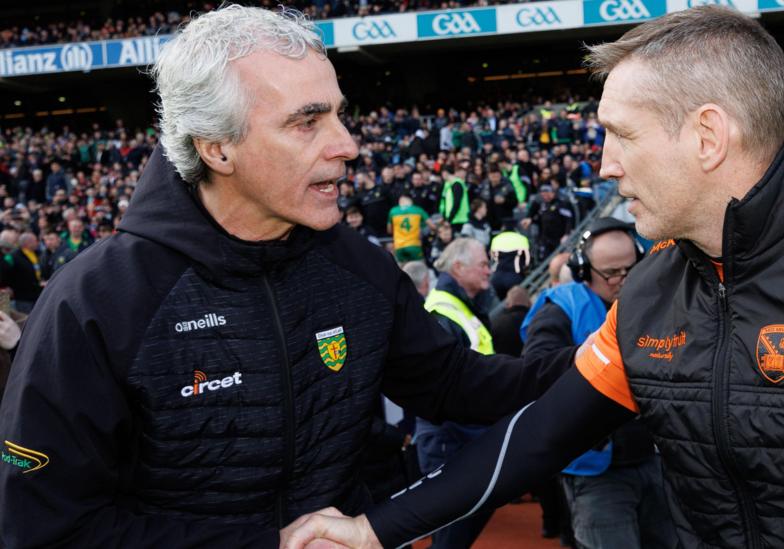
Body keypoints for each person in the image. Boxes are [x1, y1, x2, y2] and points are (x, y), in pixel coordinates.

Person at [283, 7, 784, 549]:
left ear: (707, 136)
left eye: (623, 134)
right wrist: (374, 529)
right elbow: (540, 436)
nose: (605, 164)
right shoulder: (649, 292)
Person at [0, 6, 575, 547]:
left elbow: (458, 385)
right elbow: (46, 525)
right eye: (307, 122)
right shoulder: (95, 301)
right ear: (217, 149)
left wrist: (608, 358)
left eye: (339, 115)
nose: (347, 145)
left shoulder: (356, 265)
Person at [521, 218, 675, 549]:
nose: (624, 280)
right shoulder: (561, 308)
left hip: (652, 458)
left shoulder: (649, 300)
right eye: (612, 273)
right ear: (583, 270)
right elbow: (536, 370)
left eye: (630, 269)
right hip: (596, 472)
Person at [414, 238, 498, 548]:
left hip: (466, 435)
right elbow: (443, 389)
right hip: (452, 438)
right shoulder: (443, 312)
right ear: (459, 268)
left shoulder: (462, 306)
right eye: (483, 264)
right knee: (452, 535)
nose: (489, 270)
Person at [387, 195, 429, 263]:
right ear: (410, 200)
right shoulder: (418, 210)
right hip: (414, 245)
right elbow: (431, 225)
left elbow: (389, 230)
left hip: (399, 246)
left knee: (402, 268)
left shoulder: (393, 211)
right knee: (419, 266)